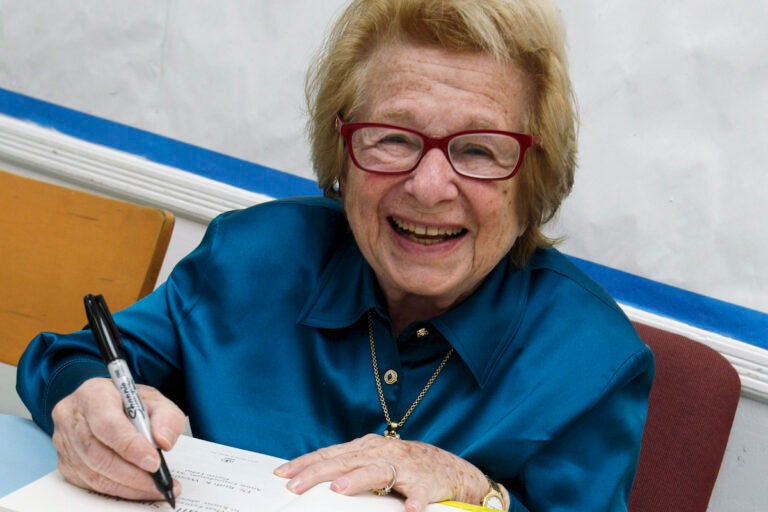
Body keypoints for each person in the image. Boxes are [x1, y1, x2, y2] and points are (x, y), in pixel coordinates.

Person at [16, 0, 654, 511]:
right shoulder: (254, 257)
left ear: (534, 178)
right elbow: (75, 358)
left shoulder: (591, 360)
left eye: (480, 150)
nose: (429, 187)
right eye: (393, 138)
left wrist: (475, 492)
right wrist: (85, 401)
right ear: (342, 151)